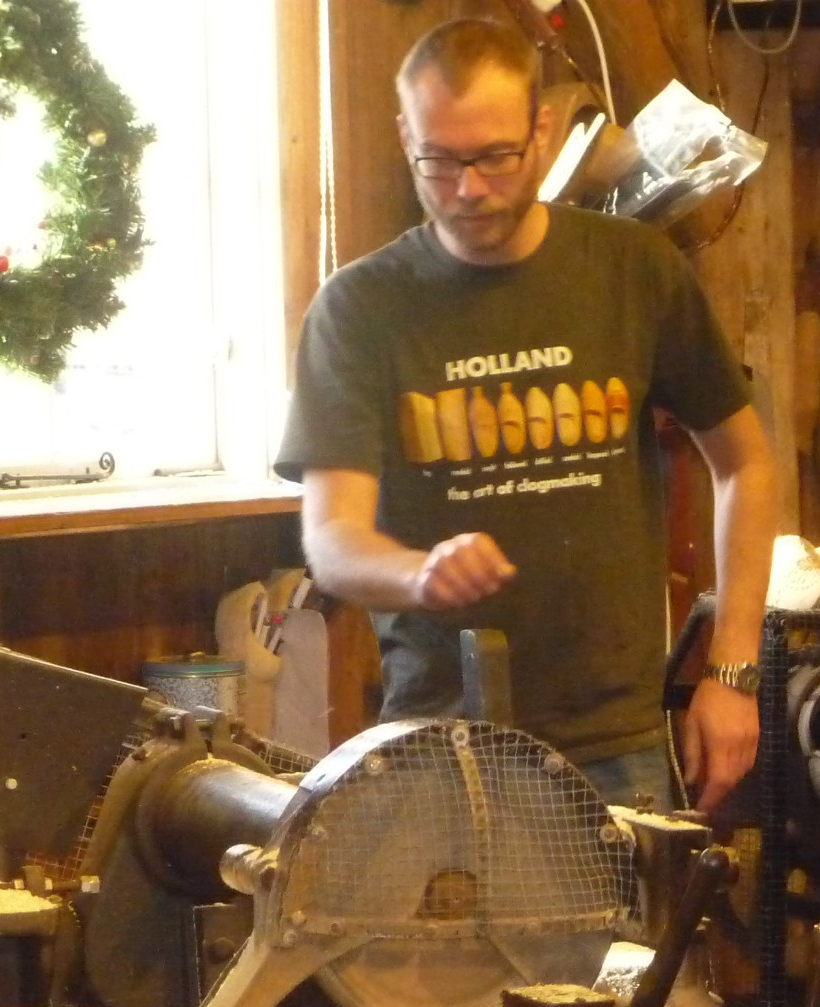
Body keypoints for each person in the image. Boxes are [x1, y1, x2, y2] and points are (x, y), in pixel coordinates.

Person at [275, 18, 776, 813]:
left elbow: (744, 463)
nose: (468, 188)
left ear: (542, 132)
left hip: (615, 742)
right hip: (439, 744)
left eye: (494, 157)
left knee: (625, 945)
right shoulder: (361, 308)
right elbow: (333, 543)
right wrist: (418, 572)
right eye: (439, 161)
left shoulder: (633, 271)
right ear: (406, 135)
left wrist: (733, 670)